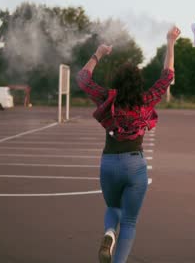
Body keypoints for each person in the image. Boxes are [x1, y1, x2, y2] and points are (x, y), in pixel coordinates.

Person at [76, 26, 181, 263]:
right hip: (135, 166)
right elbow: (167, 75)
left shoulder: (107, 98)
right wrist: (170, 41)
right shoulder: (146, 101)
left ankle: (109, 233)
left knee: (113, 208)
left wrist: (98, 54)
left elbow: (82, 79)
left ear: (117, 81)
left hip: (109, 163)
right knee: (130, 222)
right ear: (137, 82)